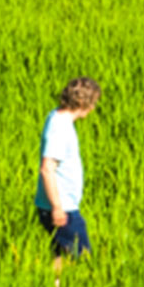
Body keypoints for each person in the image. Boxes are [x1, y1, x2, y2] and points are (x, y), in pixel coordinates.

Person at [36, 76, 101, 263]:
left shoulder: (56, 116)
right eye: (92, 103)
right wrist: (57, 208)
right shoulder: (60, 128)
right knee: (83, 260)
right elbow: (47, 169)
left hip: (56, 206)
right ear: (82, 102)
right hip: (62, 208)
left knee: (60, 255)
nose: (93, 108)